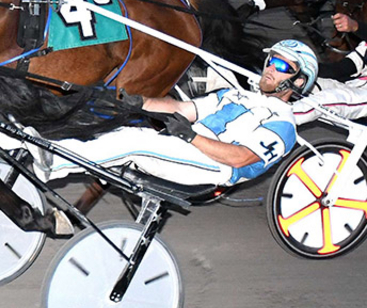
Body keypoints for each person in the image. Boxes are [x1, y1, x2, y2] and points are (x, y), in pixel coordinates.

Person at [28, 39, 317, 188]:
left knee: (138, 143)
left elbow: (241, 157)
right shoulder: (235, 94)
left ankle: (55, 164)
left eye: (282, 67)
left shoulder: (283, 123)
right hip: (189, 147)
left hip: (217, 167)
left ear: (299, 81)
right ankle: (29, 144)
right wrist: (132, 101)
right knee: (126, 131)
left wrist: (191, 138)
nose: (270, 68)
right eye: (271, 60)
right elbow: (180, 108)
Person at [292, 13, 367, 124]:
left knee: (327, 100)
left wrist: (355, 26)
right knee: (297, 81)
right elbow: (342, 68)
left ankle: (280, 119)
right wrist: (301, 68)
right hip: (355, 89)